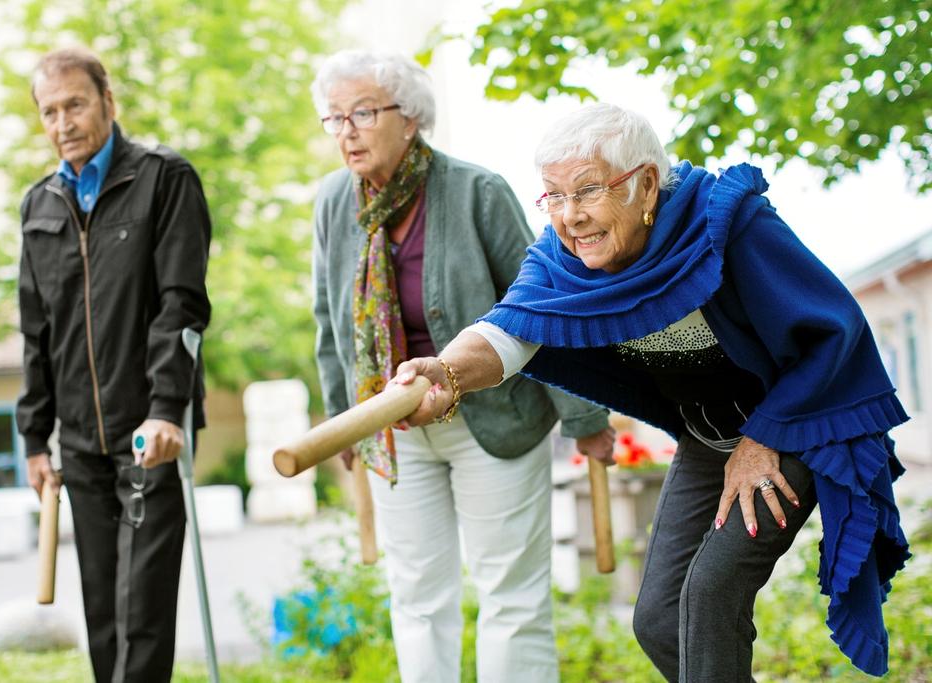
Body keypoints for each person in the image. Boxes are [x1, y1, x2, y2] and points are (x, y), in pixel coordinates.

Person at [394, 102, 910, 681]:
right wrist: (448, 373)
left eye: (587, 191)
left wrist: (761, 438)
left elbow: (833, 332)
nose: (570, 217)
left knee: (711, 596)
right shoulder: (563, 259)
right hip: (708, 438)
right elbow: (509, 329)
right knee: (660, 621)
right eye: (554, 197)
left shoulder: (727, 226)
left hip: (792, 428)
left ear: (644, 185)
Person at [310, 50, 613, 683]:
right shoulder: (333, 204)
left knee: (511, 596)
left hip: (496, 417)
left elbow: (541, 304)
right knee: (417, 597)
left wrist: (584, 416)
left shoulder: (477, 191)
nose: (347, 131)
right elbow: (328, 316)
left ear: (411, 117)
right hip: (392, 425)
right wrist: (344, 416)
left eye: (363, 112)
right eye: (334, 118)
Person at [17, 47, 211, 683]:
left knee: (143, 610)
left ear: (107, 101)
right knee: (103, 609)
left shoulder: (164, 178)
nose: (63, 122)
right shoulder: (39, 204)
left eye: (75, 103)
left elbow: (181, 304)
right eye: (49, 111)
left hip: (147, 430)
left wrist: (165, 408)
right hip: (77, 439)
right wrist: (33, 437)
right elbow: (36, 328)